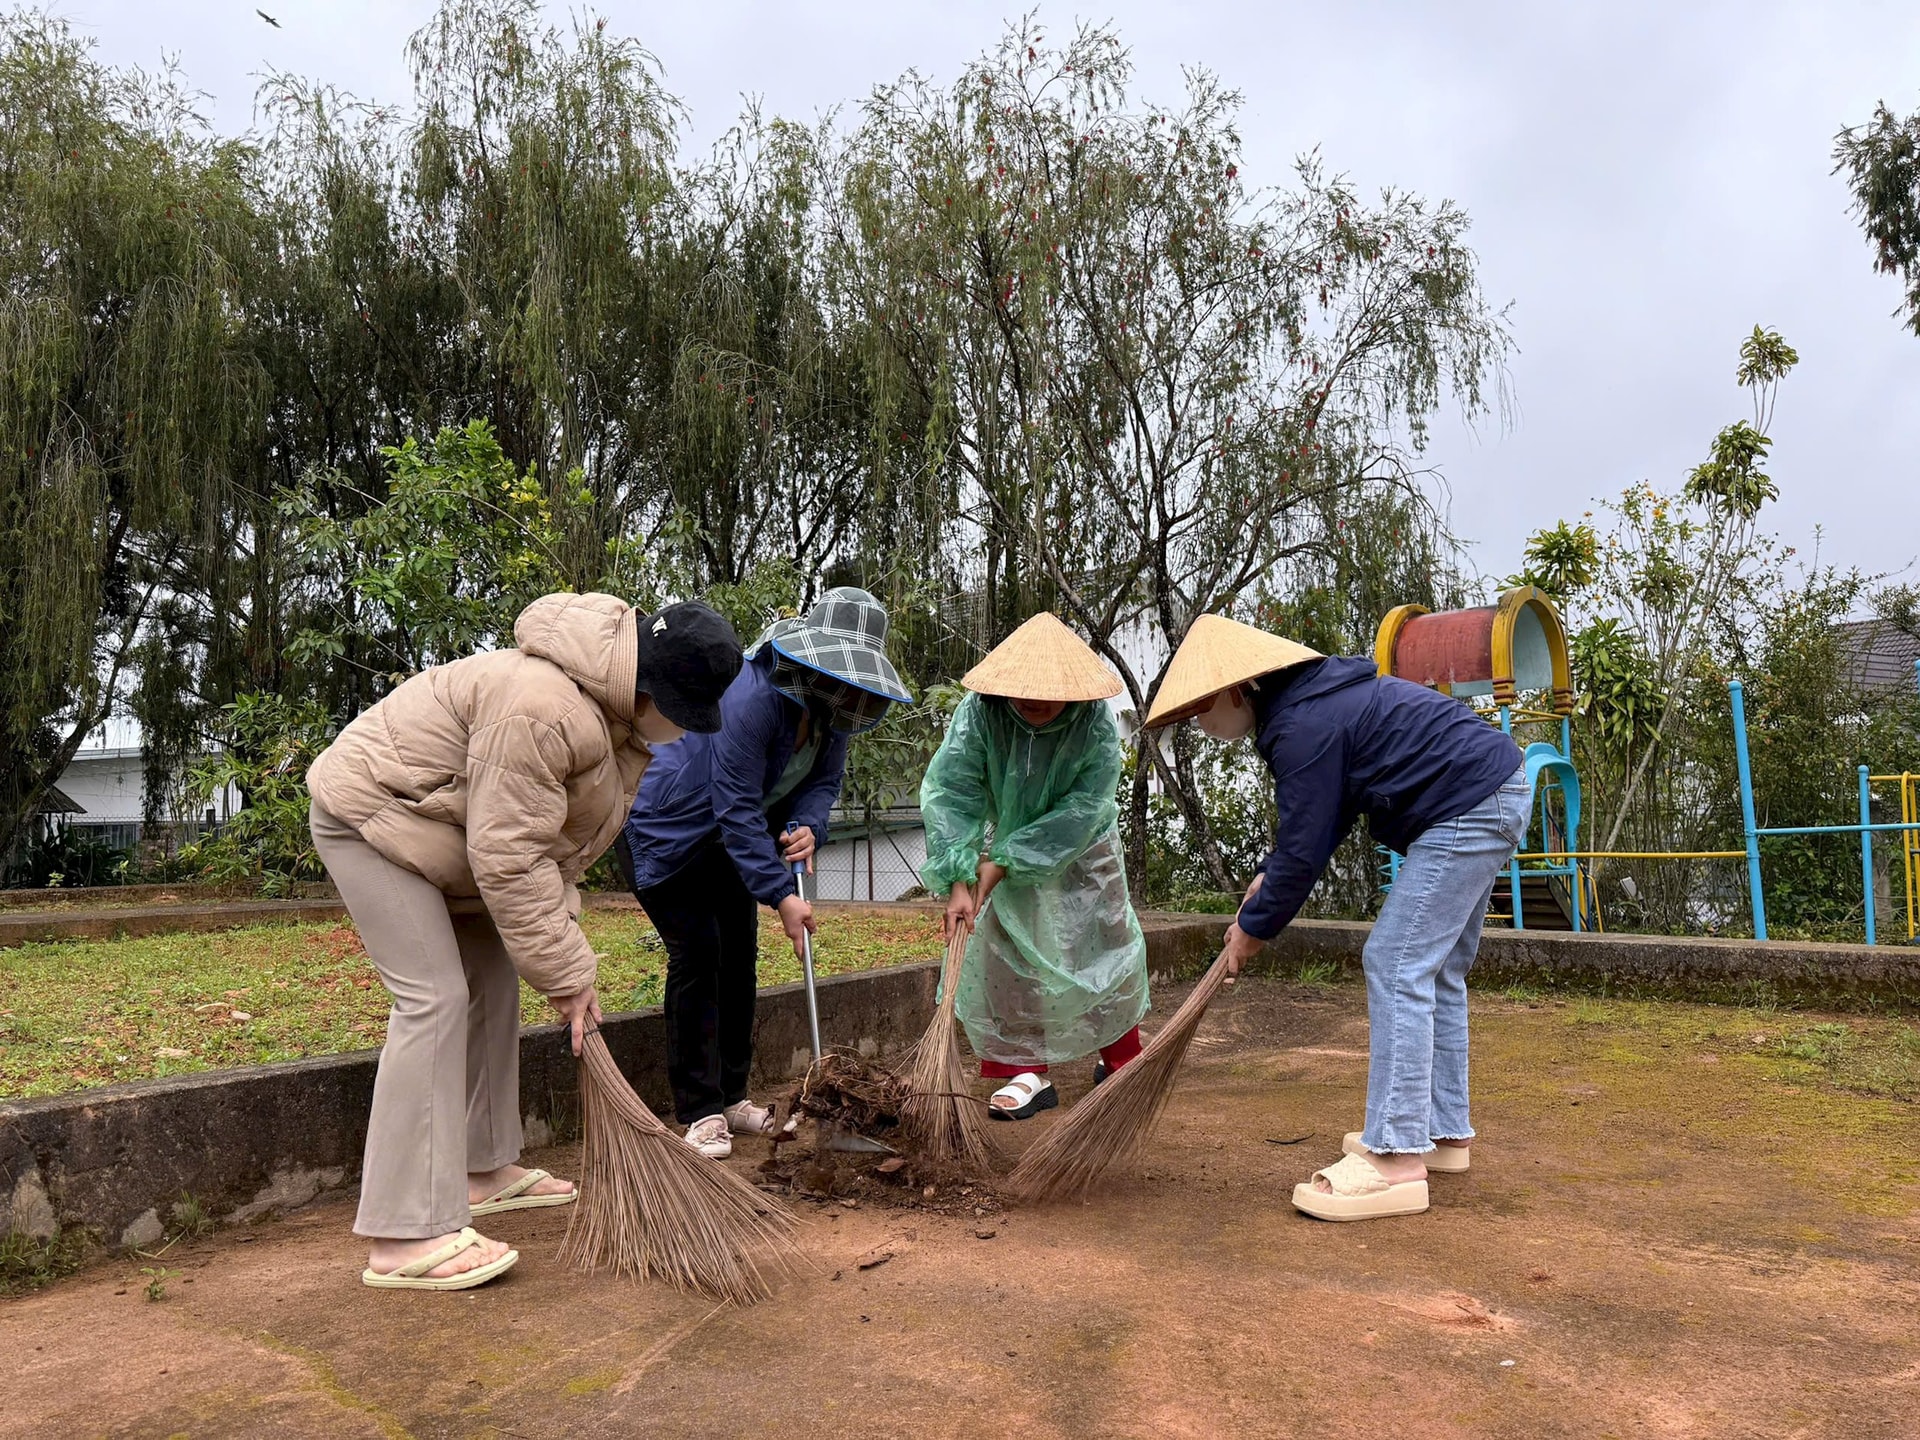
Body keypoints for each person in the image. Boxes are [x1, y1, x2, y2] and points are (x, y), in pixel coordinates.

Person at [307, 593, 743, 1289]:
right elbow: (509, 855)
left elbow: (549, 849)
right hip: (374, 818)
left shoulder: (613, 727)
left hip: (448, 838)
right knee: (433, 998)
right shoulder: (544, 708)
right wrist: (568, 971)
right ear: (650, 689)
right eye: (685, 711)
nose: (685, 728)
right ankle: (403, 1232)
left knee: (493, 984)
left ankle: (483, 1167)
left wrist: (565, 955)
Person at [1145, 614, 1532, 1223]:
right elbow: (1322, 821)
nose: (1201, 723)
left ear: (1238, 690)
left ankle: (1395, 1158)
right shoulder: (1316, 704)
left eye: (1201, 708)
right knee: (1436, 971)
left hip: (1466, 804)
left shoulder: (1303, 724)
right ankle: (1440, 1131)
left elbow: (1304, 851)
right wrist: (1269, 881)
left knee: (1396, 962)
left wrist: (1253, 929)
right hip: (1491, 789)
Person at [617, 587, 911, 1159]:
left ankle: (731, 1097)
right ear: (815, 658)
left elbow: (822, 783)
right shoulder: (751, 696)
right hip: (665, 828)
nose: (852, 692)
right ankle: (700, 1111)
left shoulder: (833, 712)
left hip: (731, 837)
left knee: (738, 955)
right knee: (698, 952)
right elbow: (734, 805)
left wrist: (808, 826)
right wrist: (781, 896)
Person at [919, 613, 1150, 1120]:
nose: (1034, 700)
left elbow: (1084, 807)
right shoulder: (981, 713)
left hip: (1085, 847)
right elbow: (952, 792)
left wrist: (1003, 861)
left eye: (1048, 692)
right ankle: (1024, 1071)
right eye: (1024, 691)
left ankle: (1120, 1056)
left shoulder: (1092, 722)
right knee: (1006, 951)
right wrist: (959, 879)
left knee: (1104, 943)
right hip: (1007, 843)